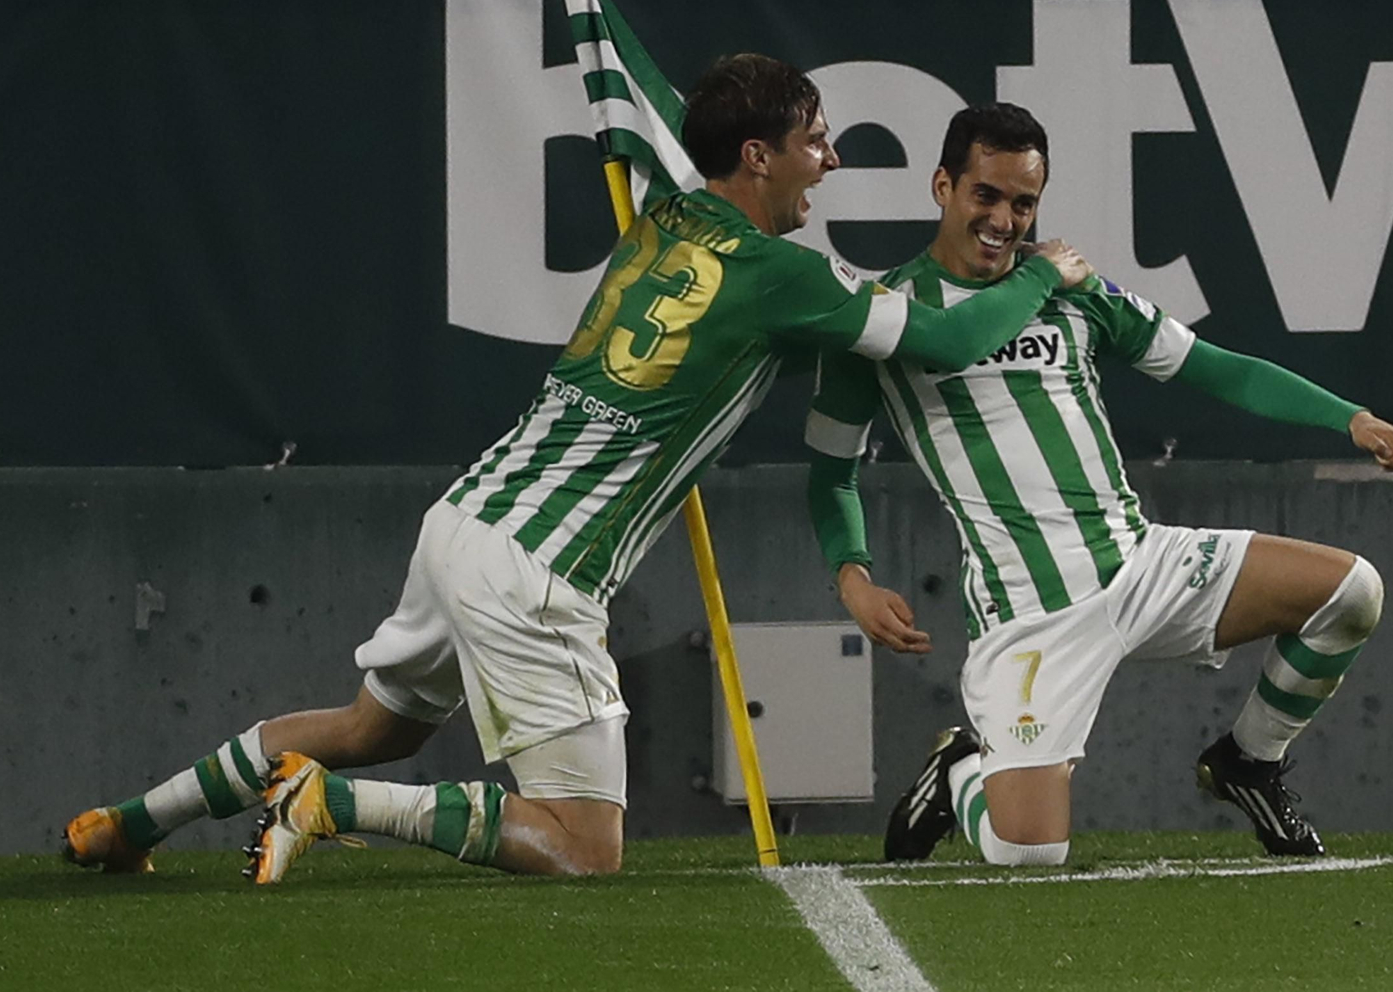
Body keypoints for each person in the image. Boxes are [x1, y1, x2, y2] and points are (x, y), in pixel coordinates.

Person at [62, 57, 1095, 882]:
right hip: (542, 568)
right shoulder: (787, 276)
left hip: (469, 515)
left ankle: (129, 820)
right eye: (812, 138)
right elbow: (950, 343)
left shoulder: (665, 214)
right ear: (756, 154)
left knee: (367, 722)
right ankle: (333, 804)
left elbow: (670, 122)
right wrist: (1043, 268)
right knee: (583, 840)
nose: (828, 158)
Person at [804, 103, 1393, 867]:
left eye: (1024, 203)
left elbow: (1213, 366)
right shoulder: (886, 315)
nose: (1004, 219)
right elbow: (831, 471)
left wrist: (1347, 417)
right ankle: (960, 768)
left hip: (1141, 566)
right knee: (1028, 854)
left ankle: (1248, 761)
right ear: (941, 186)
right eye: (985, 195)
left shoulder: (1075, 292)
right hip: (1030, 611)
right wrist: (853, 578)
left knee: (1352, 591)